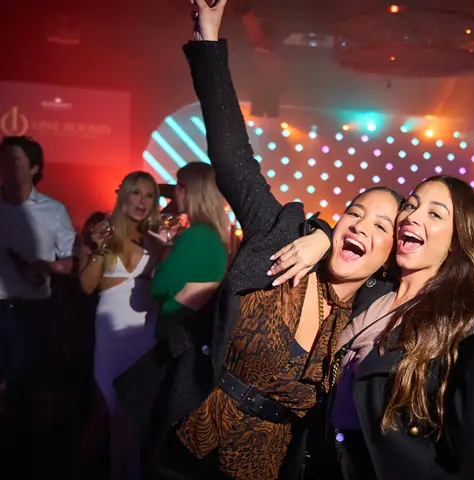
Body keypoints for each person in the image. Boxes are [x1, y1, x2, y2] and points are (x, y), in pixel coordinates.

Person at [121, 2, 404, 478]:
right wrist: (209, 40)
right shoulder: (283, 236)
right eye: (355, 213)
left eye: (380, 226)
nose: (360, 226)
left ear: (389, 256)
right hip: (186, 439)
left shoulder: (372, 310)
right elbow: (232, 157)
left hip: (264, 468)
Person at [286, 175, 474, 479]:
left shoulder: (462, 320)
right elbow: (348, 242)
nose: (412, 216)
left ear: (456, 241)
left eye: (435, 214)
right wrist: (321, 235)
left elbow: (462, 443)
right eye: (411, 206)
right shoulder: (373, 288)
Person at [78, 170, 161, 480]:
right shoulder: (102, 231)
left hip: (144, 333)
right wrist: (99, 247)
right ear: (124, 195)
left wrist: (165, 251)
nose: (142, 201)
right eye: (136, 192)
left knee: (137, 415)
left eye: (149, 195)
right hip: (110, 335)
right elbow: (87, 286)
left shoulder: (157, 238)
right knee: (103, 412)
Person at [0, 135, 76, 462]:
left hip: (33, 313)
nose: (7, 166)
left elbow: (71, 260)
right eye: (4, 160)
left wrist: (48, 266)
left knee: (25, 392)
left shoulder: (53, 210)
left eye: (15, 160)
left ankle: (18, 461)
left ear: (34, 168)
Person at [149, 161, 229, 341]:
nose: (174, 193)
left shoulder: (196, 235)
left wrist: (161, 262)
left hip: (179, 333)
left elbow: (158, 288)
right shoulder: (213, 236)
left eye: (178, 186)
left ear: (187, 192)